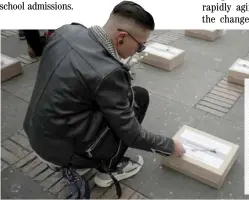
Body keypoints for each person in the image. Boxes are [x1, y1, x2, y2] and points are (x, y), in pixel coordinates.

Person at [23, 1, 185, 198]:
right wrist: (168, 145)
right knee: (138, 98)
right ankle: (108, 169)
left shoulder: (66, 30)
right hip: (60, 151)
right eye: (140, 45)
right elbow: (132, 135)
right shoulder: (109, 74)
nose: (140, 49)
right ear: (121, 37)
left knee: (125, 99)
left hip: (34, 131)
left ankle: (73, 160)